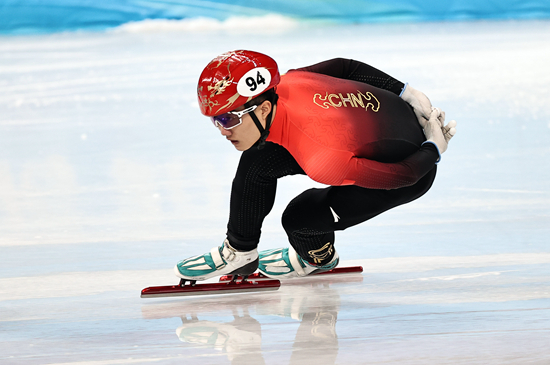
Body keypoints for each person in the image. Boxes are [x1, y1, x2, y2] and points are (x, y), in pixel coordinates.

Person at [174, 50, 456, 281]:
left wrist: (433, 147)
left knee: (300, 218)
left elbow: (405, 176)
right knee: (256, 160)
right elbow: (346, 67)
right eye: (216, 120)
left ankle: (318, 258)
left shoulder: (324, 158)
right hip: (387, 121)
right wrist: (404, 91)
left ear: (262, 109)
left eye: (228, 120)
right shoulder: (289, 82)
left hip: (410, 168)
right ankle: (240, 251)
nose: (222, 130)